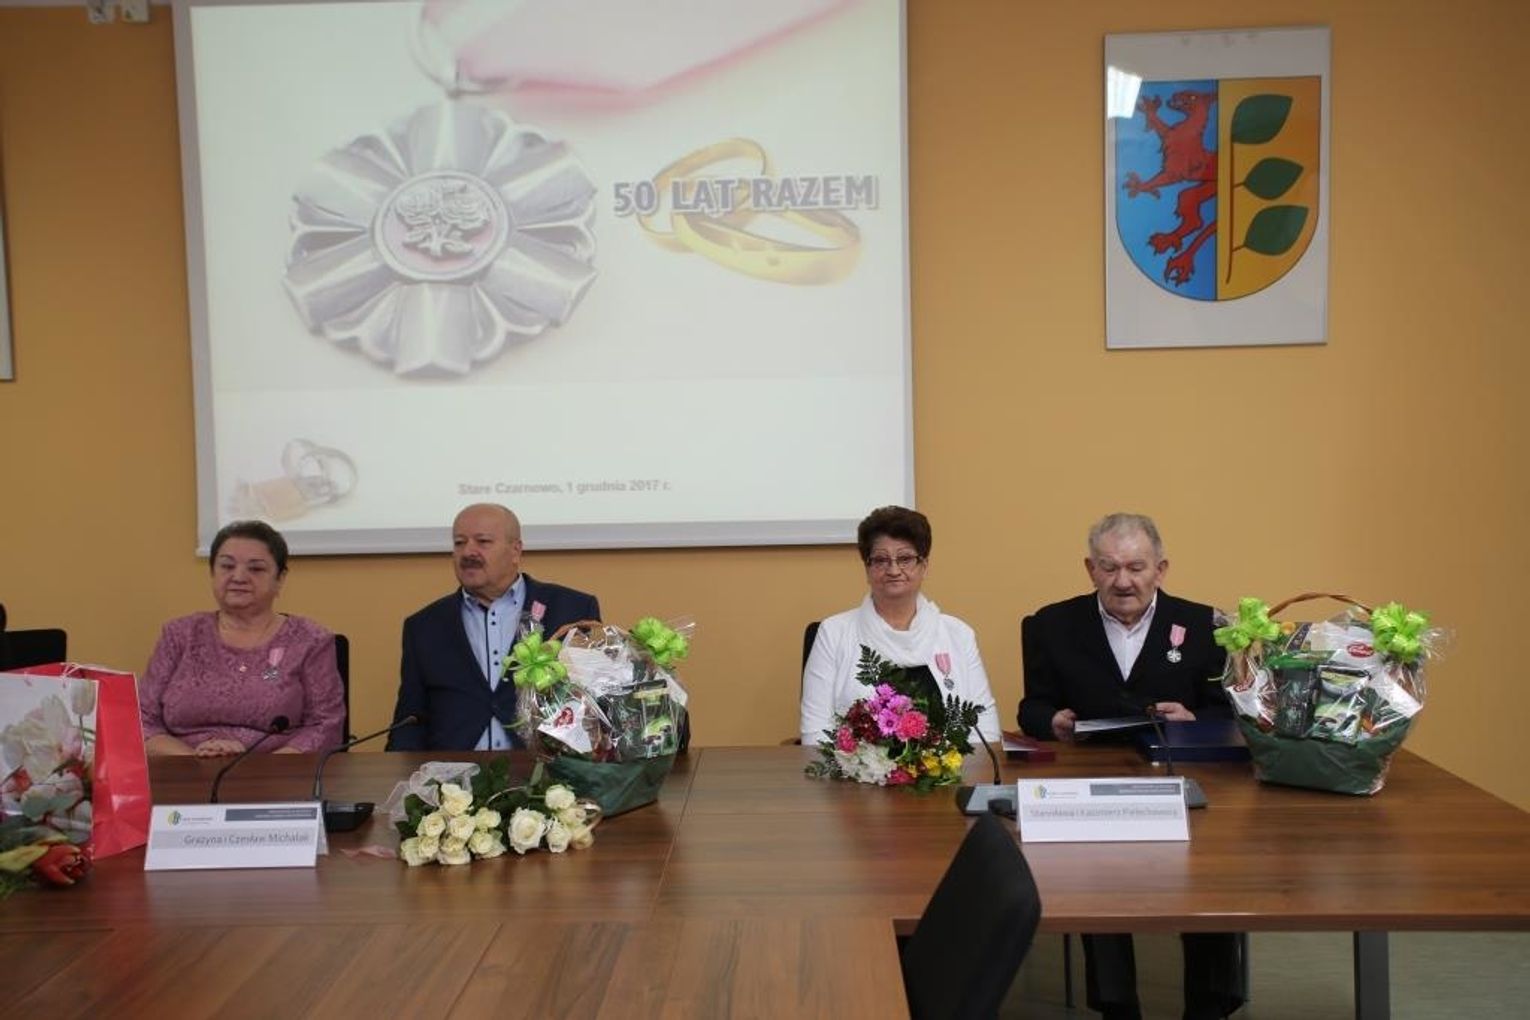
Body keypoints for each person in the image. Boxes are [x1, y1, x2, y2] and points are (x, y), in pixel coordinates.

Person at [1017, 512, 1241, 1020]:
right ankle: (1118, 1008)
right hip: (1090, 784)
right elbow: (1031, 707)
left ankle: (1210, 1005)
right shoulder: (1051, 624)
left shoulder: (1205, 625)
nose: (1123, 581)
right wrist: (1052, 720)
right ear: (1090, 569)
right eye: (1109, 567)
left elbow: (1230, 713)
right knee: (1096, 875)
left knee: (1214, 872)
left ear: (1161, 569)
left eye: (1136, 568)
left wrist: (1193, 720)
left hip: (1182, 783)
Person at [387, 503, 600, 751]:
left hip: (544, 766)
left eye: (483, 541)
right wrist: (398, 770)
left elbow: (593, 709)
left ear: (515, 551)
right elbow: (409, 723)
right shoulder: (424, 626)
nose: (468, 552)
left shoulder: (571, 609)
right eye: (459, 543)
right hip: (452, 769)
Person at [140, 520, 345, 757]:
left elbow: (325, 725)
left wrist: (258, 769)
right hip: (183, 769)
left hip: (276, 773)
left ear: (280, 579)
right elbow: (142, 720)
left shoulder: (310, 640)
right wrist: (195, 759)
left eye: (256, 569)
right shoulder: (179, 635)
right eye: (227, 566)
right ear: (212, 573)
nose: (238, 577)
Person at [800, 506, 1000, 747]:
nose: (894, 570)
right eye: (881, 560)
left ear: (924, 565)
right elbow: (815, 735)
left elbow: (985, 730)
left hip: (948, 770)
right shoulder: (832, 634)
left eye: (905, 559)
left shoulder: (959, 634)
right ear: (867, 568)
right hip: (857, 771)